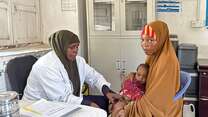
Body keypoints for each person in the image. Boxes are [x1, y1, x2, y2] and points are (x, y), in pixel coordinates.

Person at [23, 30, 121, 112]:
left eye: (77, 46)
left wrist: (106, 91)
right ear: (61, 47)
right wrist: (89, 104)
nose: (75, 50)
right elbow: (61, 98)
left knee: (104, 102)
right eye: (71, 47)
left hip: (68, 103)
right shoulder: (46, 66)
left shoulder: (78, 61)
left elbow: (94, 76)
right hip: (39, 108)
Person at [121, 20, 182, 117]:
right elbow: (147, 76)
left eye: (150, 40)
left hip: (164, 108)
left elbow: (155, 101)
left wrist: (128, 109)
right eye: (143, 40)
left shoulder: (166, 61)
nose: (145, 44)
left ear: (161, 39)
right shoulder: (153, 54)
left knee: (120, 108)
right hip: (150, 97)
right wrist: (134, 75)